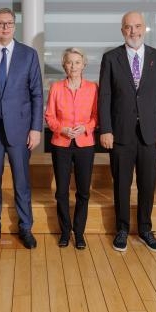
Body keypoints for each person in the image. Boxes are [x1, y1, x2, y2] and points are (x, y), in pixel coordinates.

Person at [98, 11, 156, 253]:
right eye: (129, 27)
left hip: (150, 134)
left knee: (147, 184)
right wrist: (106, 129)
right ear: (122, 30)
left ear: (144, 28)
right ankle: (121, 229)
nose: (133, 31)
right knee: (121, 183)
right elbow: (105, 97)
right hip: (120, 133)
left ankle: (145, 229)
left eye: (137, 26)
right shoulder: (111, 58)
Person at [0, 7, 43, 250]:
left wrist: (36, 128)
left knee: (21, 183)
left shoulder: (29, 55)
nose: (5, 27)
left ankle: (26, 227)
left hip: (20, 130)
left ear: (14, 26)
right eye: (0, 23)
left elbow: (37, 94)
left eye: (9, 23)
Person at [45, 48, 97, 250]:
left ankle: (79, 232)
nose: (73, 66)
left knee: (83, 191)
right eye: (69, 62)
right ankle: (65, 231)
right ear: (64, 65)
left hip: (85, 144)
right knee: (61, 191)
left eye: (77, 62)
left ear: (84, 65)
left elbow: (96, 116)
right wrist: (62, 129)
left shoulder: (93, 88)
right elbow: (49, 116)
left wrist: (86, 127)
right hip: (61, 144)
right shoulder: (56, 87)